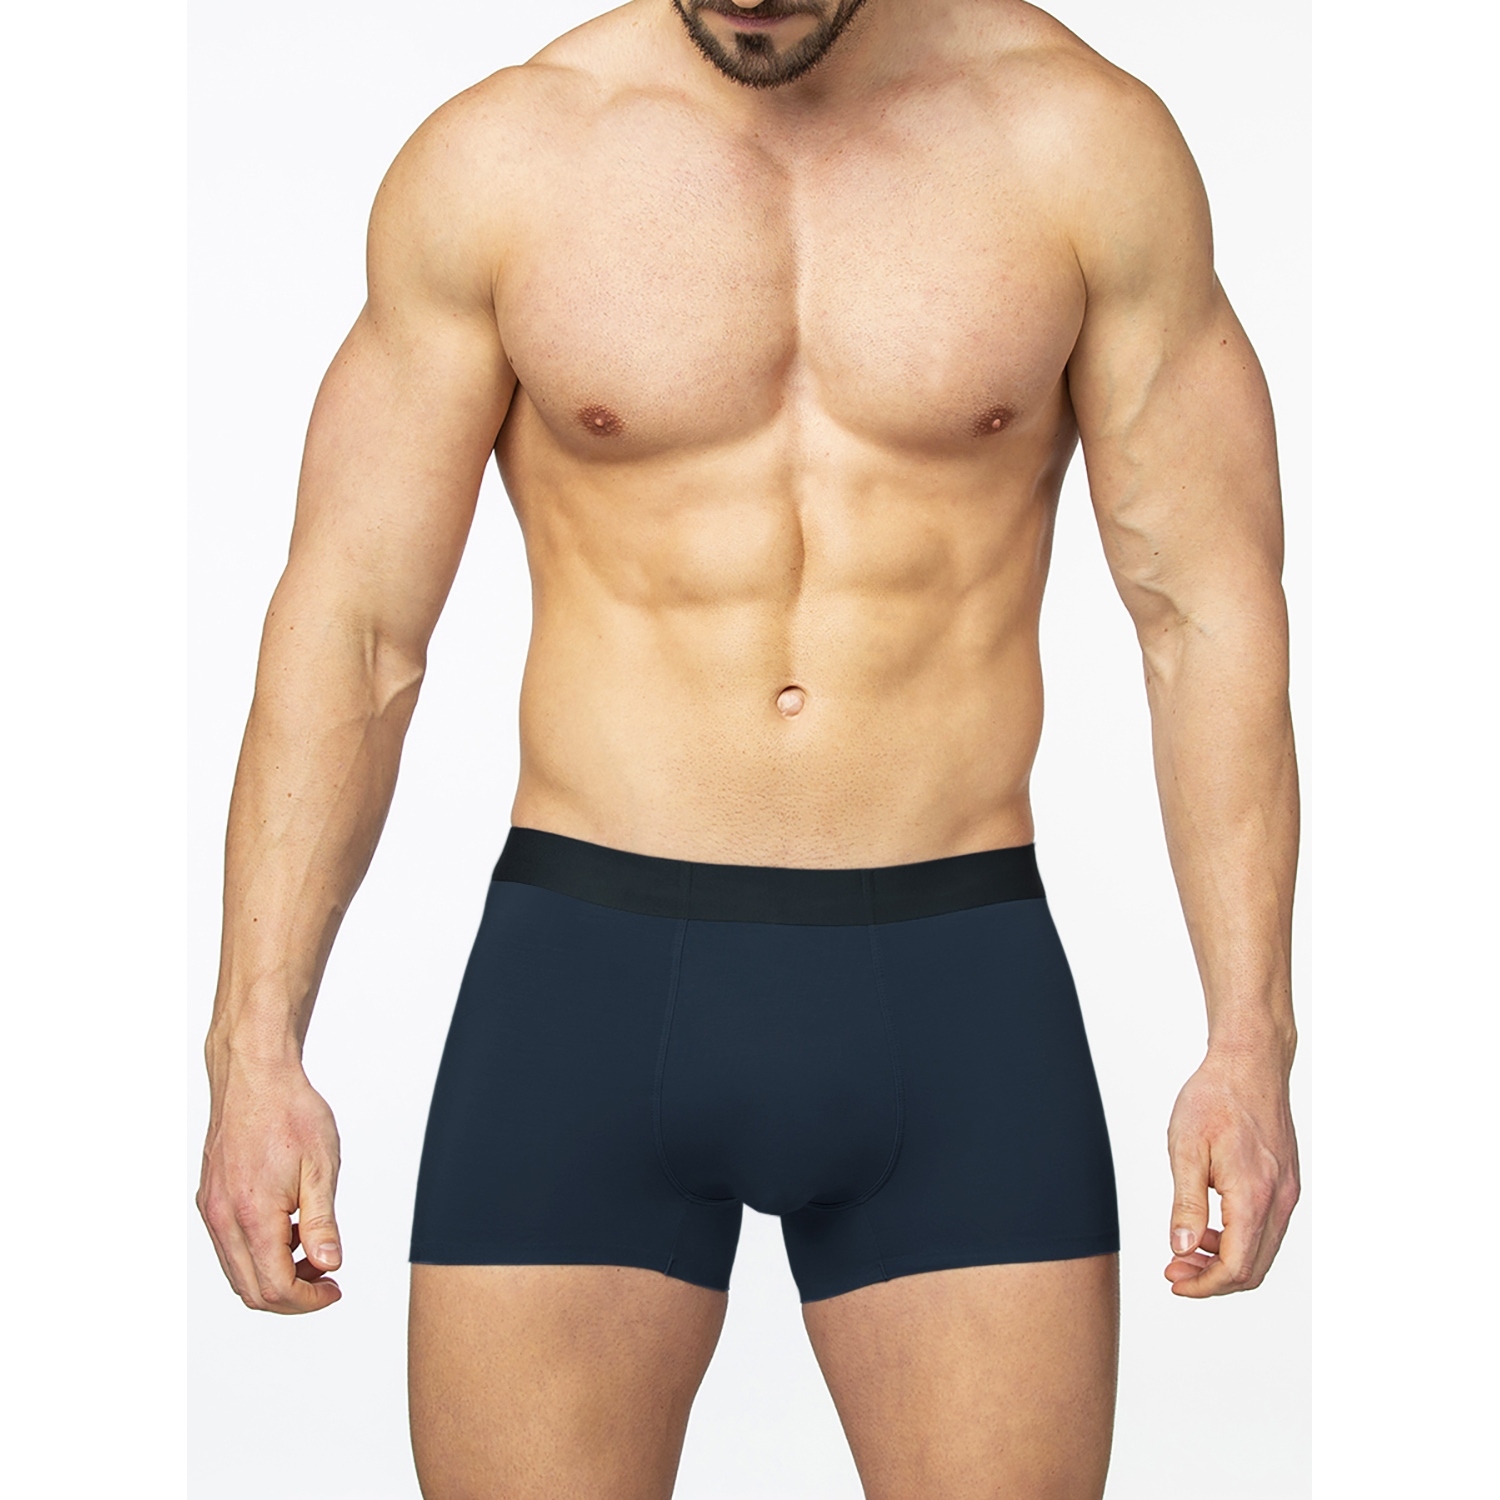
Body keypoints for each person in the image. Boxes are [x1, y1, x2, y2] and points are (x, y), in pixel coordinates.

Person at [196, 1, 1300, 1494]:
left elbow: (1203, 614)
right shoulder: (507, 162)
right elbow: (357, 628)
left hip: (954, 984)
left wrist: (1249, 1040)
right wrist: (254, 1047)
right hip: (584, 982)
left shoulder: (1080, 147)